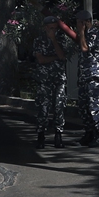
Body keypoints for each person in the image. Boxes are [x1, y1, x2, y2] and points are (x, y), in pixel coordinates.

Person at [31, 15, 68, 148]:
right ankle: (41, 135)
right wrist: (55, 57)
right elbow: (40, 59)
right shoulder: (39, 40)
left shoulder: (61, 39)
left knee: (59, 107)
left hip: (58, 79)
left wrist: (54, 41)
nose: (53, 30)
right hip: (44, 79)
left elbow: (62, 56)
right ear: (45, 27)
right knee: (43, 108)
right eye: (50, 28)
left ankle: (58, 135)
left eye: (55, 28)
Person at [75, 9, 99, 147]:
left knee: (95, 106)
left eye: (79, 23)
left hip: (94, 75)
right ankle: (89, 132)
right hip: (84, 75)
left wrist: (81, 32)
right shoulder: (85, 34)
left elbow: (84, 48)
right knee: (83, 106)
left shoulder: (94, 34)